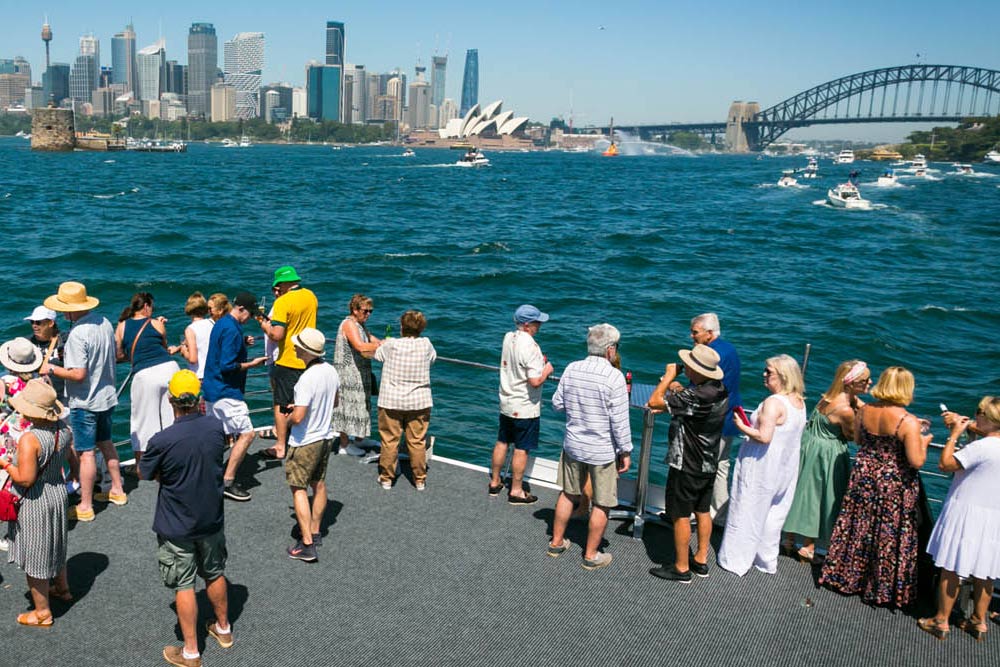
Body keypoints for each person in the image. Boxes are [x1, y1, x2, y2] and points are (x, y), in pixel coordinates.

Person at [139, 370, 233, 667]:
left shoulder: (162, 440)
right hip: (211, 517)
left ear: (171, 401)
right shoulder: (216, 428)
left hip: (177, 522)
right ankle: (223, 628)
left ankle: (191, 651)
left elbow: (146, 473)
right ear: (198, 399)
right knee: (214, 572)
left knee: (184, 584)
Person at [819, 366, 932, 608]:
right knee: (888, 533)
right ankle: (881, 587)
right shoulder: (907, 421)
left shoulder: (865, 410)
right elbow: (916, 461)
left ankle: (848, 575)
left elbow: (859, 440)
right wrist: (923, 440)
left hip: (864, 476)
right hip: (893, 483)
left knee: (858, 526)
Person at [547, 324, 631, 571]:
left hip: (573, 444)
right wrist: (625, 451)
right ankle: (591, 555)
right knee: (602, 503)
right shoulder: (614, 377)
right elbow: (619, 421)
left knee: (567, 493)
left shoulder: (572, 368)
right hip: (601, 451)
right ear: (610, 350)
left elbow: (557, 404)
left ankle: (556, 542)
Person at [40, 281, 125, 522]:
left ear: (69, 309)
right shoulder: (104, 322)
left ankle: (85, 506)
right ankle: (117, 490)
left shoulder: (77, 333)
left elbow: (78, 374)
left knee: (86, 453)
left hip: (85, 400)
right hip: (107, 395)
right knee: (107, 443)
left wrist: (53, 369)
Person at [917, 397, 1000, 641]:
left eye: (979, 413)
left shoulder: (981, 448)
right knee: (985, 571)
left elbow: (945, 464)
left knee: (951, 567)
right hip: (993, 515)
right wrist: (965, 425)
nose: (976, 416)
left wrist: (954, 434)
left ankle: (941, 619)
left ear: (988, 418)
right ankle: (979, 620)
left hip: (966, 510)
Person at [718, 354, 807, 576]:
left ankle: (735, 559)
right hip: (785, 467)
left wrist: (742, 426)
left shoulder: (773, 403)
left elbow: (764, 436)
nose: (764, 375)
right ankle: (765, 559)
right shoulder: (798, 401)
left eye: (769, 372)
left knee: (746, 509)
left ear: (783, 376)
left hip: (761, 465)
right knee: (774, 513)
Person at [646, 344, 728, 583]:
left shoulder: (695, 395)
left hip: (688, 464)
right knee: (702, 510)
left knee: (681, 515)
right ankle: (701, 559)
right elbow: (689, 402)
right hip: (708, 461)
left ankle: (681, 568)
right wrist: (678, 388)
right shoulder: (718, 389)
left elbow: (654, 401)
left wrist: (670, 377)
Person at [783, 360, 870, 562]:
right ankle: (808, 546)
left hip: (810, 447)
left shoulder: (828, 397)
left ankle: (789, 539)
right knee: (821, 496)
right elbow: (852, 437)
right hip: (827, 454)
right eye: (864, 380)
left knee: (802, 490)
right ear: (850, 384)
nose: (869, 382)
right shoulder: (846, 410)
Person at [1, 380, 71, 627]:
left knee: (36, 557)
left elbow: (26, 479)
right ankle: (62, 588)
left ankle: (42, 612)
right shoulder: (63, 429)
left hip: (35, 501)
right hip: (57, 493)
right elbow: (70, 459)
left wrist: (7, 465)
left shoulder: (30, 439)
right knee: (55, 544)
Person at [672, 313, 741, 527]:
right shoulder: (729, 349)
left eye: (695, 332)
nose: (692, 336)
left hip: (713, 423)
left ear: (709, 333)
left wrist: (678, 390)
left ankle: (696, 512)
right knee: (720, 466)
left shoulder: (713, 354)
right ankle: (718, 515)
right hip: (728, 417)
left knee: (704, 469)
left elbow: (705, 390)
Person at [202, 292, 268, 502]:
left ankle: (209, 476)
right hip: (227, 391)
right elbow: (228, 366)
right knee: (247, 434)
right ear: (240, 309)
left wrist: (242, 343)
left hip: (212, 389)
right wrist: (252, 363)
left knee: (217, 436)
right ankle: (228, 481)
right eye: (250, 313)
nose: (250, 318)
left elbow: (223, 351)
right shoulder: (231, 329)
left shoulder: (221, 324)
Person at [488, 304, 555, 505]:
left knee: (502, 442)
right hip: (525, 406)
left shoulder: (508, 337)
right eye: (536, 322)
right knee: (521, 449)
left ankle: (494, 481)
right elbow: (534, 381)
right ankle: (516, 491)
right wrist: (547, 370)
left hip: (506, 401)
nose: (539, 325)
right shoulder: (532, 347)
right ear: (527, 325)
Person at [283, 328, 339, 563]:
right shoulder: (331, 371)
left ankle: (306, 544)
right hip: (325, 437)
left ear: (305, 351)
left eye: (297, 345)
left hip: (305, 441)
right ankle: (315, 532)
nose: (294, 347)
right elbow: (335, 402)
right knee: (319, 484)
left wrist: (287, 417)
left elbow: (297, 418)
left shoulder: (306, 378)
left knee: (298, 489)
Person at [258, 266, 318, 460]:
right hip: (309, 358)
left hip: (288, 360)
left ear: (283, 284)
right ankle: (304, 439)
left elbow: (277, 334)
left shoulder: (284, 301)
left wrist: (263, 324)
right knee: (304, 402)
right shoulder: (311, 296)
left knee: (281, 405)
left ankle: (281, 446)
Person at [115, 292, 180, 467]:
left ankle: (142, 466)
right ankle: (174, 459)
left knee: (143, 422)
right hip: (170, 369)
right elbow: (163, 348)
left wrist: (134, 355)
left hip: (145, 375)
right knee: (172, 417)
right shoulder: (157, 324)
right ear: (146, 306)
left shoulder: (122, 326)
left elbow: (119, 354)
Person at [373, 310, 436, 491]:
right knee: (417, 441)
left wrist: (383, 343)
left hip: (391, 400)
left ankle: (386, 478)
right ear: (421, 328)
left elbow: (378, 356)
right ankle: (419, 479)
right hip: (419, 401)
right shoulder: (426, 344)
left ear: (401, 327)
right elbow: (432, 360)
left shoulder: (391, 345)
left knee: (389, 441)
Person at [330, 294, 382, 457]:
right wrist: (380, 345)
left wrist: (388, 344)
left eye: (370, 311)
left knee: (363, 405)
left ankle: (360, 438)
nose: (368, 314)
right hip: (348, 374)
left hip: (360, 372)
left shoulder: (360, 325)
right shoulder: (349, 324)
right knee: (346, 406)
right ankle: (344, 444)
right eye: (365, 311)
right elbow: (360, 346)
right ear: (355, 310)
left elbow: (372, 340)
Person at [24, 305, 68, 399]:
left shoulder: (65, 341)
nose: (34, 325)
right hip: (37, 398)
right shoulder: (27, 343)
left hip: (62, 397)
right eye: (32, 322)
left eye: (38, 322)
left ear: (51, 323)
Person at [176, 292, 214, 379]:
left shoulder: (190, 329)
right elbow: (203, 342)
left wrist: (184, 352)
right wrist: (178, 348)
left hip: (199, 376)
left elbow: (193, 359)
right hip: (214, 373)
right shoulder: (212, 323)